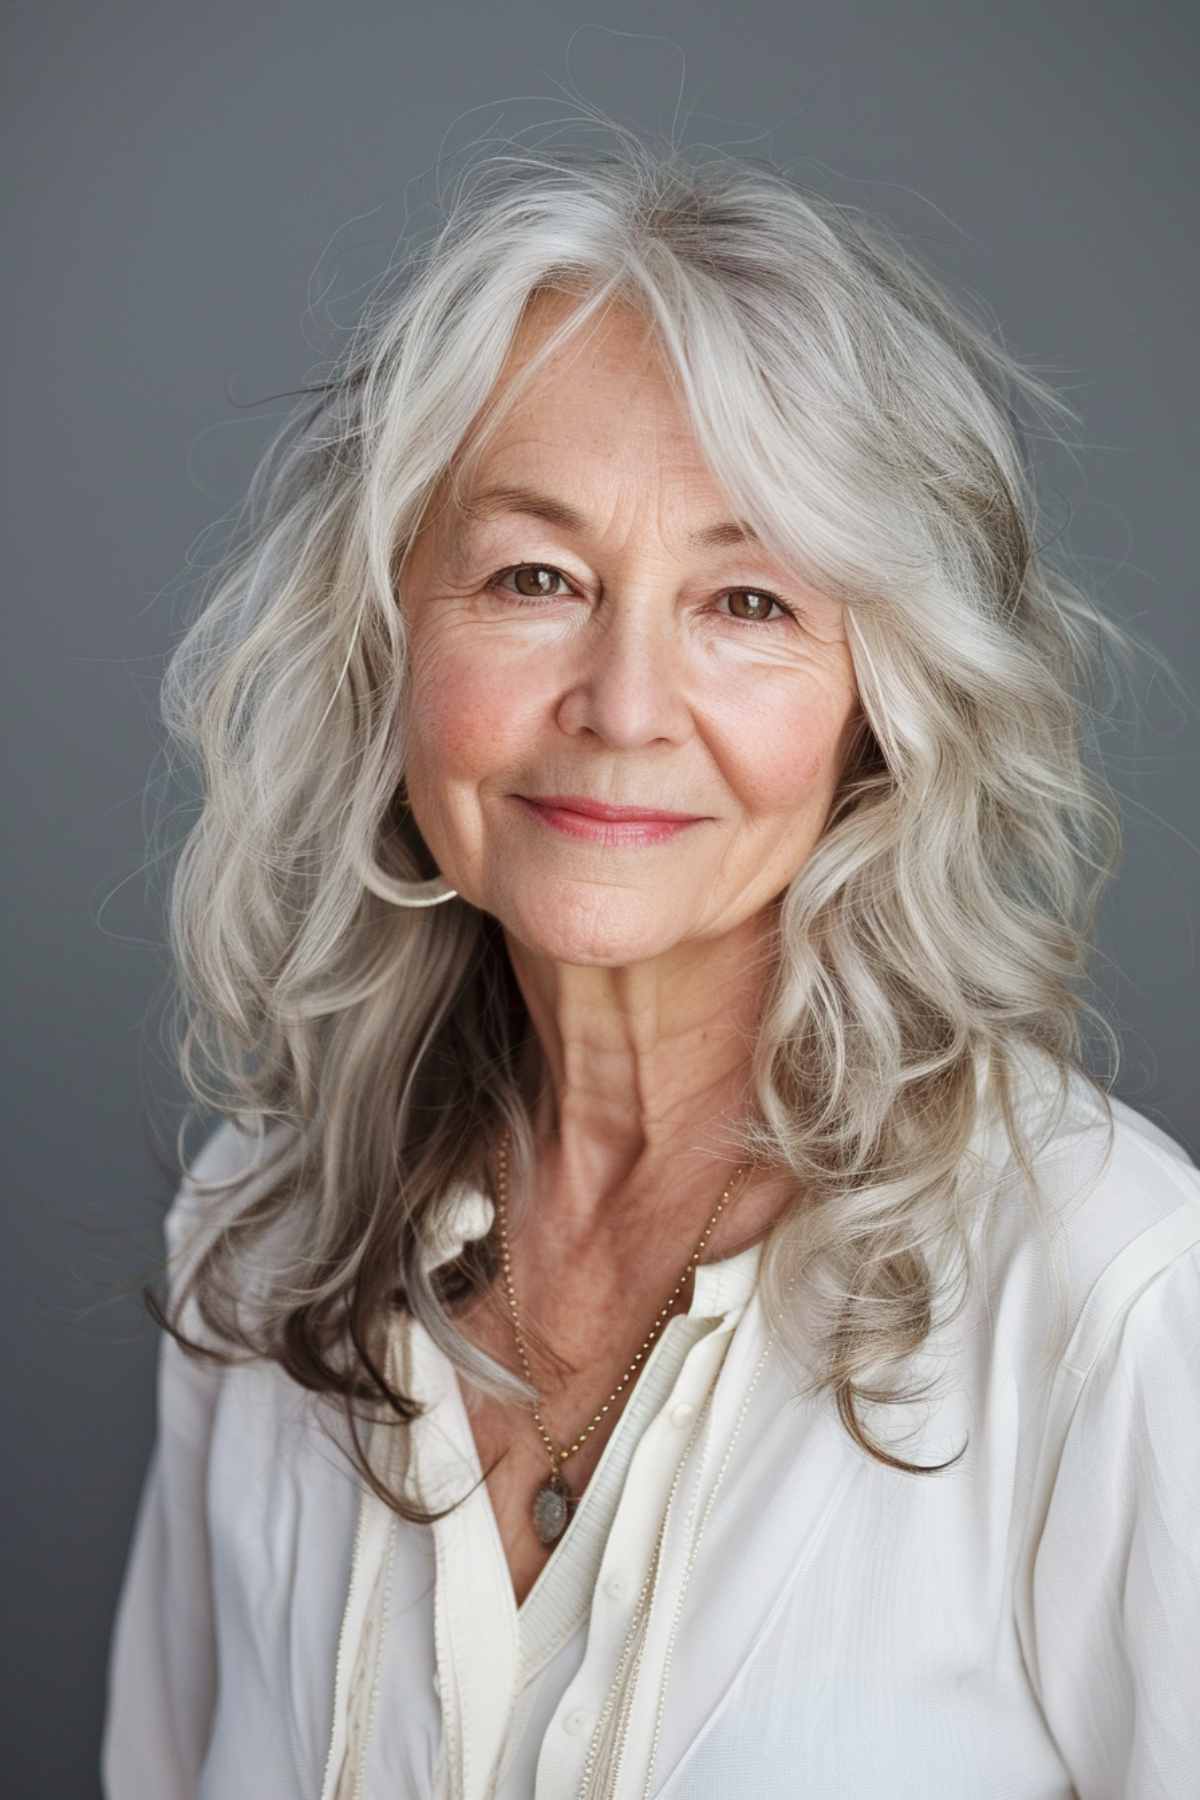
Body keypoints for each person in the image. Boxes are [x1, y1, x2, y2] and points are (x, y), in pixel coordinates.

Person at [101, 121, 1200, 1799]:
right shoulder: (255, 1259)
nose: (621, 707)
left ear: (880, 702)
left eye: (747, 601)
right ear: (390, 646)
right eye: (534, 576)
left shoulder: (1111, 1298)